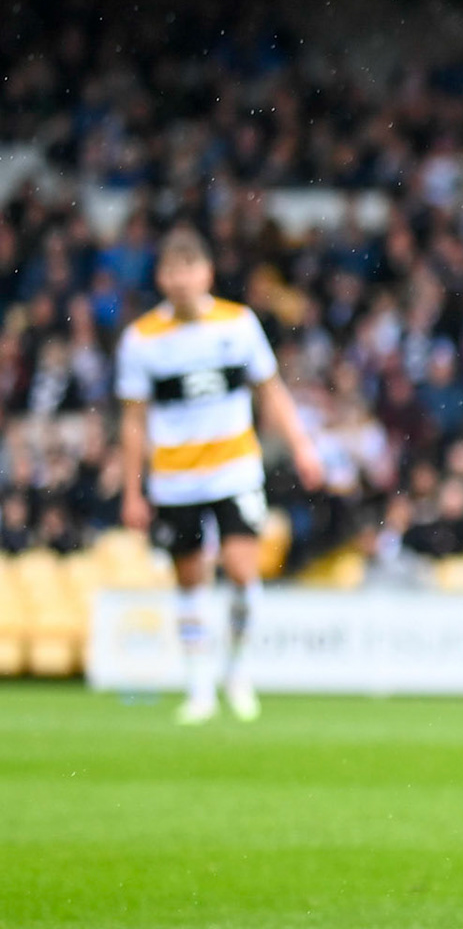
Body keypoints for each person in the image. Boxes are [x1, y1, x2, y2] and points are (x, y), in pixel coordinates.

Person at [117, 226, 323, 725]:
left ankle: (238, 672)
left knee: (241, 569)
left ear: (206, 274)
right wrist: (132, 490)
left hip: (234, 470)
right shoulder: (141, 339)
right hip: (175, 478)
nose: (181, 280)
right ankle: (199, 687)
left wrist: (302, 445)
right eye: (172, 271)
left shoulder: (238, 323)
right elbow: (133, 420)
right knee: (190, 580)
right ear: (161, 279)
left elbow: (271, 389)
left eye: (189, 269)